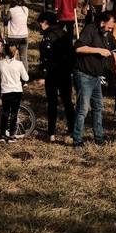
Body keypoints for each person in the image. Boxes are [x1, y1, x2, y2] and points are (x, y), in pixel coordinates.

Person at [72, 11, 116, 147]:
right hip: (84, 75)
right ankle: (77, 139)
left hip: (96, 77)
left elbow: (115, 46)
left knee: (98, 107)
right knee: (83, 109)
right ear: (102, 23)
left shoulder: (107, 34)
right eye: (109, 27)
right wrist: (98, 50)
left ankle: (99, 136)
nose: (111, 30)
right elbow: (79, 48)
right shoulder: (90, 30)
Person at [36, 12, 76, 142]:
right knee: (67, 102)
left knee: (52, 103)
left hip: (52, 73)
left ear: (45, 23)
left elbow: (45, 58)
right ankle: (72, 129)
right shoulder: (64, 34)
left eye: (40, 23)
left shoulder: (47, 37)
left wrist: (42, 75)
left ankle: (51, 133)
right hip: (65, 72)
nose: (40, 26)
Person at [0, 44, 29, 143]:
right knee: (14, 112)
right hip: (16, 90)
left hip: (5, 90)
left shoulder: (1, 63)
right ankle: (11, 134)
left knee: (5, 112)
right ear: (16, 52)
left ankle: (2, 134)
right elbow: (26, 78)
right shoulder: (19, 64)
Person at [4, 0, 30, 71]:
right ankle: (25, 77)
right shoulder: (26, 9)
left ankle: (11, 72)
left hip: (13, 35)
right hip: (24, 35)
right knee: (23, 57)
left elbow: (6, 20)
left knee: (11, 55)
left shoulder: (11, 10)